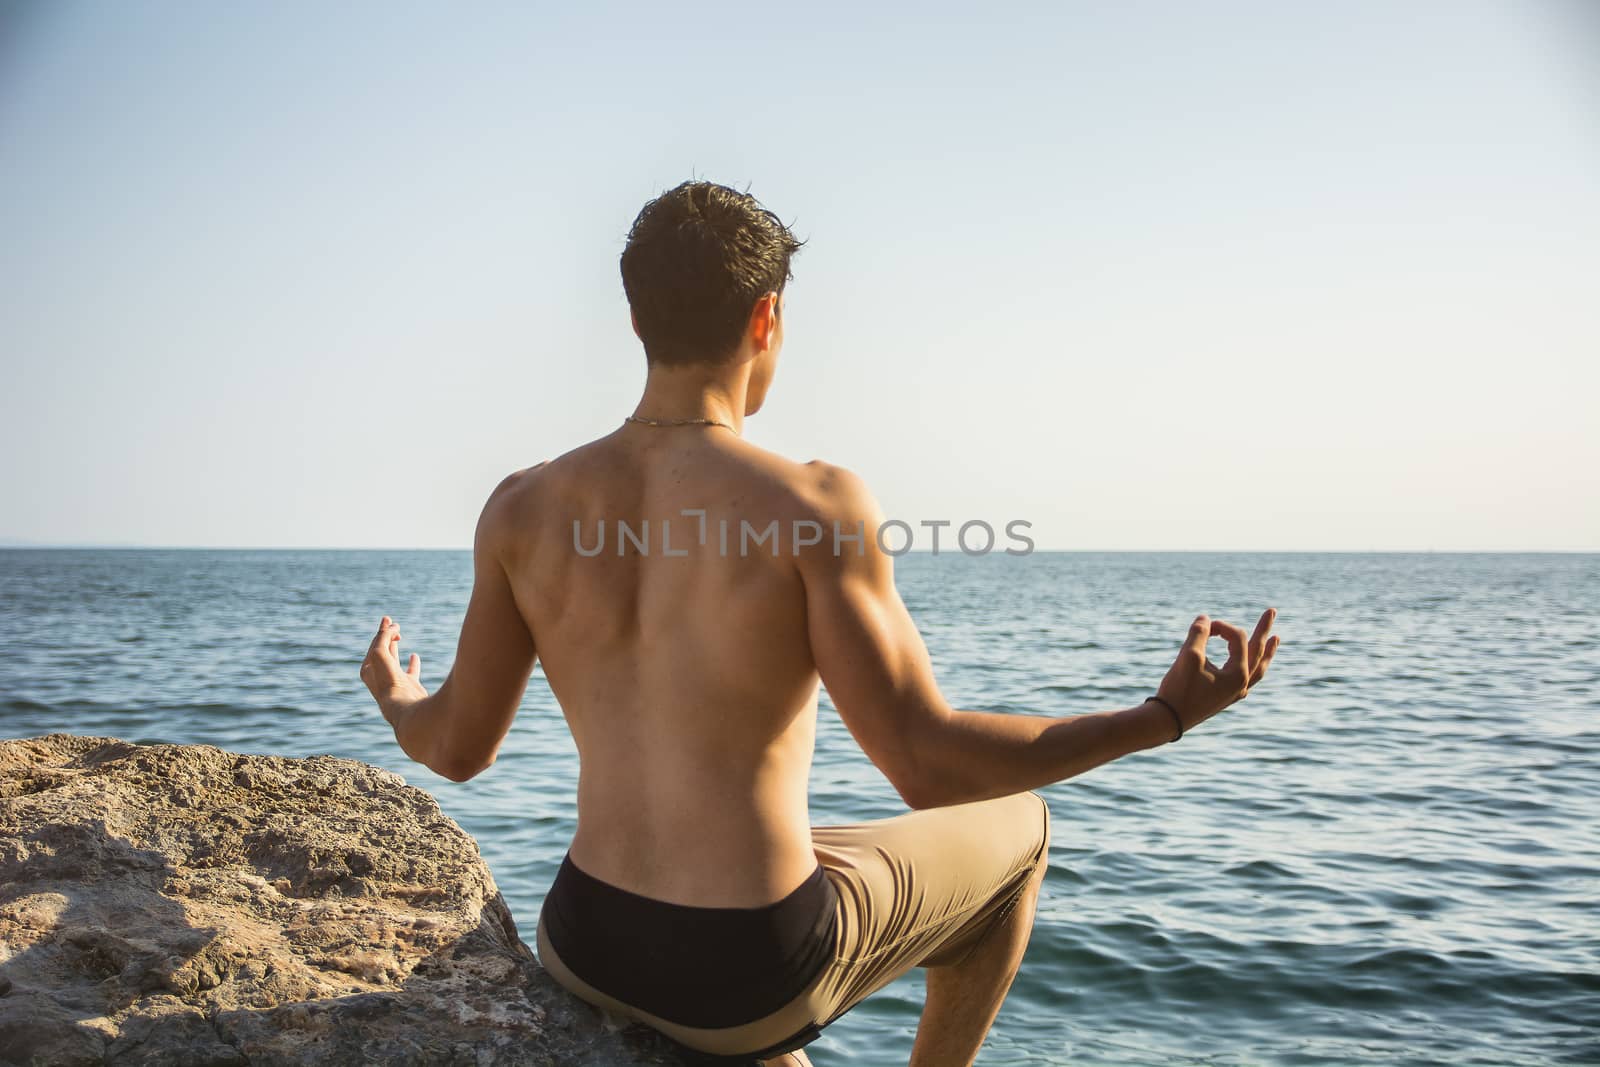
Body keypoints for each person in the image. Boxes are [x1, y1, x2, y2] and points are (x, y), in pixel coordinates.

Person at [360, 180, 1281, 1067]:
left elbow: (458, 747)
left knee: (827, 841)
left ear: (636, 319)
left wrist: (399, 692)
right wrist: (1162, 719)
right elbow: (927, 765)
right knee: (1021, 833)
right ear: (767, 319)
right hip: (747, 977)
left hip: (585, 942)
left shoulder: (522, 506)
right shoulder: (811, 503)